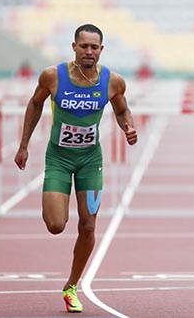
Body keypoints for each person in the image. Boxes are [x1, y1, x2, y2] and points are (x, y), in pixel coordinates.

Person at [14, 24, 138, 312]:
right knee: (56, 225)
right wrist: (23, 145)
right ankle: (53, 197)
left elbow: (122, 109)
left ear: (101, 50)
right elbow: (34, 105)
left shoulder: (112, 81)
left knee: (88, 224)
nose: (89, 52)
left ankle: (71, 286)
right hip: (58, 158)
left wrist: (127, 127)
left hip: (90, 161)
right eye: (84, 46)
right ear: (74, 47)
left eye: (94, 47)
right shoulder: (52, 76)